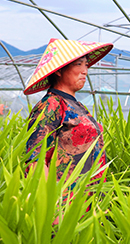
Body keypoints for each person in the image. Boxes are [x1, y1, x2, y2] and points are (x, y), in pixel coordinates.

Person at [24, 38, 113, 192]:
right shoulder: (51, 105)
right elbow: (35, 161)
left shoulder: (77, 106)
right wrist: (51, 209)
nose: (85, 70)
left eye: (86, 64)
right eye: (78, 64)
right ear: (59, 70)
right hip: (64, 204)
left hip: (86, 201)